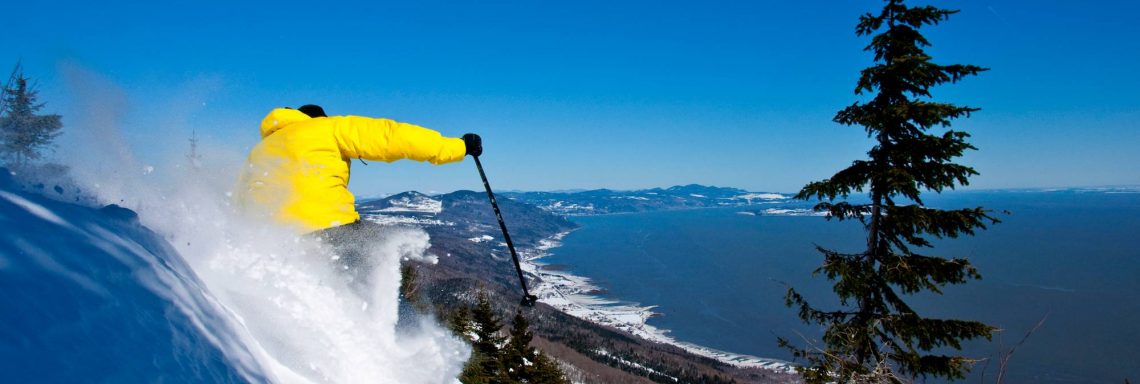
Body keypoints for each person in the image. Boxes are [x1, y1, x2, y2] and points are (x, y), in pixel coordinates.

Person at [235, 104, 481, 283]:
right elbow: (391, 137)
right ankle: (401, 342)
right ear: (318, 118)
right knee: (374, 282)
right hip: (329, 229)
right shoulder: (326, 127)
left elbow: (239, 197)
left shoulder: (259, 151)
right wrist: (458, 147)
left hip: (273, 242)